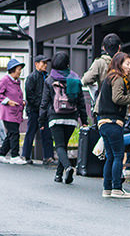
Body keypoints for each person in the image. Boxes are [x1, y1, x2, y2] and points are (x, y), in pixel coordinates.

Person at [95, 52, 130, 199]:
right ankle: (116, 188)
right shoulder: (118, 78)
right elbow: (117, 98)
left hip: (103, 123)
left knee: (110, 157)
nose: (129, 67)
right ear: (119, 64)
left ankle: (107, 189)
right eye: (127, 64)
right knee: (118, 155)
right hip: (113, 123)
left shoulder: (109, 78)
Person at [40, 51, 86, 185]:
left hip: (55, 117)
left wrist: (41, 120)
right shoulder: (75, 79)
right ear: (67, 64)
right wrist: (84, 120)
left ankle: (67, 167)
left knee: (59, 146)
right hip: (71, 118)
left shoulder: (50, 80)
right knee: (64, 145)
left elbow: (44, 102)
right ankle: (59, 175)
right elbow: (81, 102)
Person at [0, 58, 27, 164]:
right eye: (18, 69)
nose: (20, 71)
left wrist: (22, 101)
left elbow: (16, 94)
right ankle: (14, 156)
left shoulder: (17, 81)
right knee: (14, 133)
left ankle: (1, 155)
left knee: (10, 135)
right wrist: (8, 101)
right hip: (8, 113)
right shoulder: (5, 80)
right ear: (12, 70)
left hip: (16, 112)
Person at [22, 54, 54, 165]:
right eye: (43, 63)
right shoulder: (32, 77)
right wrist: (41, 106)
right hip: (34, 110)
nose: (45, 65)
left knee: (47, 134)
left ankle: (48, 156)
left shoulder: (48, 77)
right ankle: (26, 155)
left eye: (46, 63)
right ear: (36, 64)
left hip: (44, 111)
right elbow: (29, 96)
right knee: (31, 132)